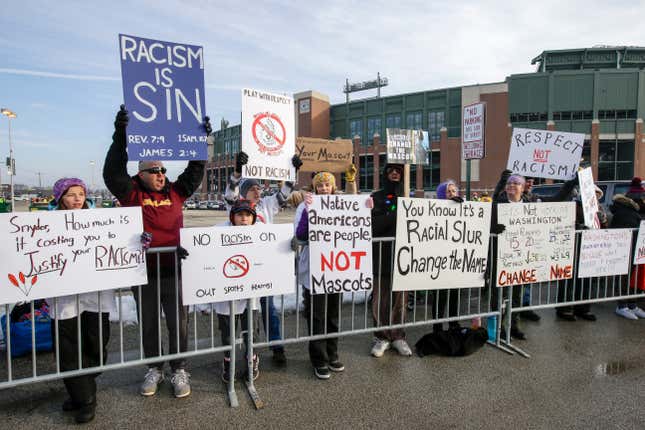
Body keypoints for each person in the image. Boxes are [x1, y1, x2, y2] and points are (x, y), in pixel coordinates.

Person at [103, 105, 210, 398]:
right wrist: (120, 134)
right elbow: (112, 171)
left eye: (163, 169)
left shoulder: (176, 191)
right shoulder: (131, 192)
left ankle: (179, 369)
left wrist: (199, 140)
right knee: (149, 323)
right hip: (144, 271)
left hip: (174, 269)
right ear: (141, 173)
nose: (161, 174)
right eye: (154, 170)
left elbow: (195, 169)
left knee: (179, 323)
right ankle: (155, 368)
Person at [225, 151, 303, 366]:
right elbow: (230, 192)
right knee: (241, 311)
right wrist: (238, 173)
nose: (257, 191)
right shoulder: (234, 205)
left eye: (259, 188)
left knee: (268, 307)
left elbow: (285, 193)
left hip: (263, 265)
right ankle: (237, 351)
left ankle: (277, 345)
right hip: (239, 264)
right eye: (252, 188)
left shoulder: (267, 205)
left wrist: (292, 172)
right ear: (244, 191)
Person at [48, 178, 114, 424]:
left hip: (96, 297)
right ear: (60, 198)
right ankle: (85, 398)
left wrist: (138, 243)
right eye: (70, 194)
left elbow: (118, 242)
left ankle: (81, 388)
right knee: (67, 348)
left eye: (81, 193)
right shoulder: (46, 224)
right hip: (64, 299)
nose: (77, 199)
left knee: (96, 344)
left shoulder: (101, 220)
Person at [370, 163, 413, 357]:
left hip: (403, 256)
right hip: (381, 255)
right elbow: (374, 225)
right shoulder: (376, 197)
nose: (395, 173)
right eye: (391, 171)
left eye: (398, 171)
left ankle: (398, 336)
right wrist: (395, 216)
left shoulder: (408, 198)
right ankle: (382, 337)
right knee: (381, 300)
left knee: (400, 300)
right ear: (385, 174)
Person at [215, 199, 260, 382]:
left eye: (248, 215)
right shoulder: (218, 232)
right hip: (227, 294)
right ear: (232, 217)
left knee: (252, 330)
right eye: (240, 215)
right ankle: (228, 361)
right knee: (228, 332)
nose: (244, 219)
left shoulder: (261, 232)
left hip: (251, 293)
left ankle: (252, 359)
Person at [431, 180, 464, 333]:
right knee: (440, 296)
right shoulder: (433, 210)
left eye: (453, 191)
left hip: (456, 259)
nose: (451, 194)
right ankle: (437, 327)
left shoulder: (462, 207)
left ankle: (453, 324)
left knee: (455, 295)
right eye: (448, 191)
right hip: (439, 260)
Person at [610, 177, 645, 319]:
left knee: (633, 278)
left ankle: (632, 304)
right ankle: (622, 305)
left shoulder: (633, 211)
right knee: (624, 277)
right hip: (624, 250)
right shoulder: (625, 211)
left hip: (636, 249)